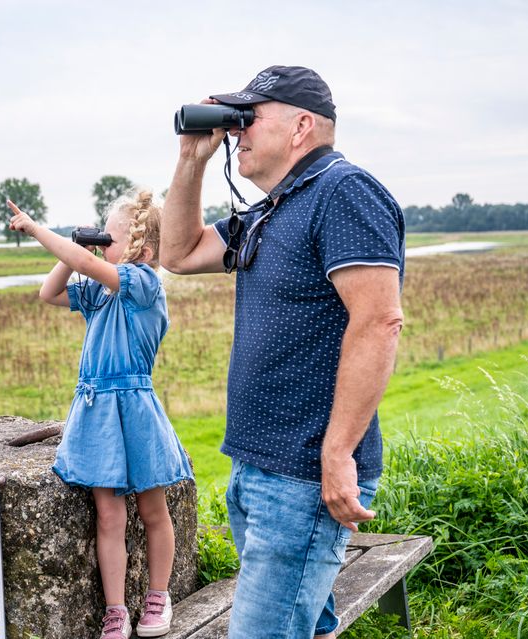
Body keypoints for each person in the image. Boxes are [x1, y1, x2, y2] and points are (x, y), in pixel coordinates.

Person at [161, 65, 405, 638]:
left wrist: (338, 453)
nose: (238, 131)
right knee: (307, 622)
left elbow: (378, 320)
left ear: (300, 126)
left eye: (249, 117)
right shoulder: (276, 207)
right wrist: (191, 159)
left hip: (303, 472)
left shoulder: (343, 193)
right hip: (258, 462)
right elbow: (179, 252)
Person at [8, 192, 194, 639]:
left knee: (153, 510)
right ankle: (115, 611)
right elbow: (48, 292)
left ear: (143, 251)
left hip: (134, 408)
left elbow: (93, 266)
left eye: (109, 235)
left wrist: (38, 230)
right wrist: (79, 250)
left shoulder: (144, 282)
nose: (99, 240)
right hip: (96, 413)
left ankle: (157, 597)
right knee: (108, 516)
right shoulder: (99, 293)